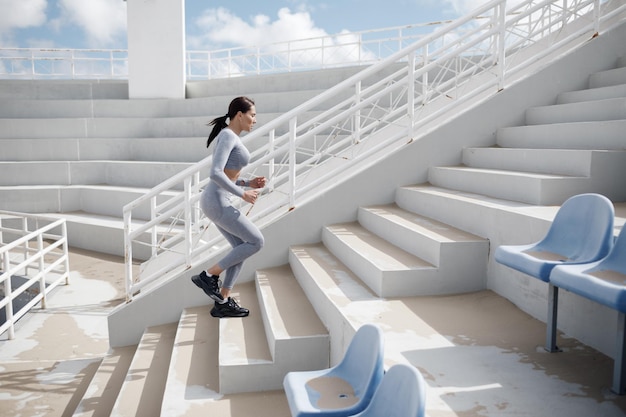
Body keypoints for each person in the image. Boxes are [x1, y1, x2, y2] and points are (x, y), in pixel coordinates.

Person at [191, 96, 266, 318]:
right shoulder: (227, 135)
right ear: (239, 115)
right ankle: (209, 275)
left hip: (218, 200)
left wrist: (248, 183)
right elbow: (214, 173)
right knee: (256, 241)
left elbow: (226, 175)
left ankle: (222, 301)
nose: (254, 120)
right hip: (217, 201)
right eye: (252, 115)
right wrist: (243, 194)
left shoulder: (230, 137)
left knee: (241, 248)